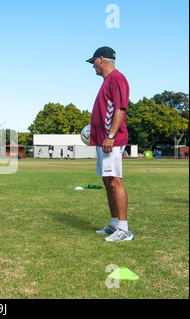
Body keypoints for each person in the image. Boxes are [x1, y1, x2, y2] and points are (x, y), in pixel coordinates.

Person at [86, 46, 133, 242]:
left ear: (102, 59)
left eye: (94, 61)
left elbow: (121, 107)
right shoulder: (106, 81)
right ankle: (114, 224)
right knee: (107, 181)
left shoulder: (117, 78)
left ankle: (124, 229)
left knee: (115, 180)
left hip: (110, 140)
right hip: (103, 141)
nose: (93, 66)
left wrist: (111, 135)